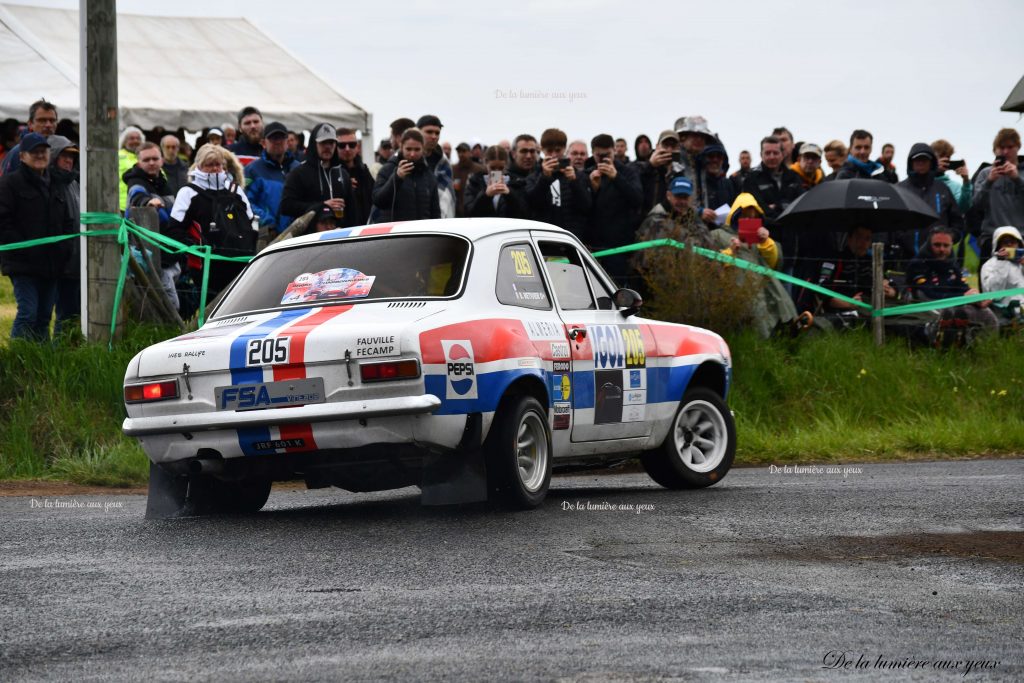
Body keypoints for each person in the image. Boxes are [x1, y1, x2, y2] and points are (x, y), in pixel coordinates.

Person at [0, 134, 74, 340]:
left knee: (43, 317)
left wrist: (64, 249)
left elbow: (68, 220)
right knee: (28, 313)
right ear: (22, 156)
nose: (40, 155)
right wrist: (25, 248)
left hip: (52, 264)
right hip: (22, 264)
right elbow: (3, 222)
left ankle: (41, 361)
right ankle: (17, 360)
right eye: (34, 152)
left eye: (44, 151)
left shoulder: (56, 183)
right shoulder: (9, 184)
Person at [165, 144, 258, 300]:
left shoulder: (235, 190)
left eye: (218, 164)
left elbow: (250, 220)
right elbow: (175, 229)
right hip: (206, 265)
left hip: (240, 259)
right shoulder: (188, 192)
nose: (215, 169)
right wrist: (194, 248)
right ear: (199, 166)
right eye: (209, 165)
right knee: (210, 307)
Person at [710, 193, 803, 338]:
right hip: (738, 292)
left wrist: (766, 243)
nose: (749, 220)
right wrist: (731, 251)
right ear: (735, 215)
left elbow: (775, 263)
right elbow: (711, 266)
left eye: (753, 218)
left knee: (779, 321)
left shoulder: (758, 238)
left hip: (767, 290)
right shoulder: (717, 235)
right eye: (745, 216)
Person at [906, 226, 998, 338]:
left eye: (946, 246)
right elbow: (927, 295)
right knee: (949, 314)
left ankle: (989, 346)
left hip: (953, 305)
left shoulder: (952, 263)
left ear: (951, 246)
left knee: (985, 312)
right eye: (937, 245)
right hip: (925, 307)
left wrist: (975, 297)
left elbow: (962, 286)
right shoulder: (918, 264)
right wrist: (963, 297)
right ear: (929, 245)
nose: (942, 249)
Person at [586, 134, 643, 281]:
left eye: (608, 155)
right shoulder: (588, 173)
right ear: (593, 153)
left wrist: (616, 178)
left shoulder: (628, 172)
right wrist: (593, 189)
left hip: (620, 246)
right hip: (594, 245)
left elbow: (637, 199)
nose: (604, 158)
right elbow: (584, 209)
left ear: (614, 151)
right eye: (600, 155)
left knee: (617, 290)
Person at [741, 136, 804, 269]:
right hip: (760, 248)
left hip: (789, 247)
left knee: (786, 287)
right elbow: (754, 209)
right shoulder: (751, 178)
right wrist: (781, 210)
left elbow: (798, 206)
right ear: (761, 155)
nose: (771, 156)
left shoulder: (794, 177)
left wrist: (777, 206)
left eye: (775, 153)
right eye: (767, 153)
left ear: (783, 154)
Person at [896, 143, 964, 262]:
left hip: (941, 259)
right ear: (910, 163)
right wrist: (902, 239)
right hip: (906, 260)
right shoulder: (899, 190)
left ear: (931, 163)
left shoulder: (943, 189)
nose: (920, 162)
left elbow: (957, 222)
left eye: (924, 159)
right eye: (917, 159)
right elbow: (890, 224)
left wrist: (948, 237)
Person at [280, 123, 356, 227]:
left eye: (331, 142)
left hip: (339, 236)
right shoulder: (298, 173)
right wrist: (321, 206)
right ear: (314, 144)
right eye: (323, 142)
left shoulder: (342, 174)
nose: (328, 146)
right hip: (310, 238)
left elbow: (353, 211)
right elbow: (286, 206)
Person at [524, 128, 591, 238]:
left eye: (558, 150)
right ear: (542, 150)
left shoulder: (579, 176)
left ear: (564, 149)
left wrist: (574, 182)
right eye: (549, 151)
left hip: (572, 238)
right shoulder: (533, 177)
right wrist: (545, 178)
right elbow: (532, 205)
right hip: (543, 237)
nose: (554, 155)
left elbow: (586, 207)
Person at [972, 128, 1024, 261]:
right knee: (989, 280)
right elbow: (977, 205)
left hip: (1020, 238)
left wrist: (1017, 179)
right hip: (991, 238)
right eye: (1001, 147)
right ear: (995, 150)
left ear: (1018, 147)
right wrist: (989, 182)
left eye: (1010, 147)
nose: (1005, 151)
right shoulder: (985, 173)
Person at [371, 127, 441, 223]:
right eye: (408, 149)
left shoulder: (429, 176)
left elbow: (435, 213)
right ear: (401, 147)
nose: (412, 154)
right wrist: (396, 178)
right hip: (395, 233)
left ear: (423, 149)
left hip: (422, 234)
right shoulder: (388, 169)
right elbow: (378, 201)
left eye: (417, 149)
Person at [47, 136, 81, 333]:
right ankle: (58, 352)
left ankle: (69, 349)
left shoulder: (74, 183)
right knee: (63, 313)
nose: (68, 160)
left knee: (73, 313)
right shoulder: (50, 183)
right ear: (53, 156)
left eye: (71, 156)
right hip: (61, 262)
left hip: (77, 261)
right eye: (63, 155)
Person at [245, 121, 300, 236]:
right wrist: (267, 222)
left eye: (281, 138)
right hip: (267, 235)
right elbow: (246, 202)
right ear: (264, 143)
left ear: (287, 142)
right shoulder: (252, 170)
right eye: (273, 138)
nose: (278, 142)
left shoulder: (298, 168)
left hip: (297, 233)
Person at [463, 145, 529, 219]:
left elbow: (524, 212)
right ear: (486, 163)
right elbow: (469, 212)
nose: (497, 172)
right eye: (492, 168)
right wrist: (486, 195)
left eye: (501, 168)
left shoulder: (516, 183)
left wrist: (509, 194)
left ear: (506, 164)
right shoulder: (475, 182)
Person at [632, 129, 685, 218]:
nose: (669, 150)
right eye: (665, 145)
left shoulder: (681, 173)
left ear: (678, 149)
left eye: (673, 146)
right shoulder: (639, 166)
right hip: (644, 224)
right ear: (657, 147)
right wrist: (650, 165)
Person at [1, 99, 58, 176]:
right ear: (30, 124)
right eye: (42, 120)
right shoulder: (18, 152)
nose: (48, 125)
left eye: (52, 120)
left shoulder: (59, 150)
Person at [416, 115, 456, 218]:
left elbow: (447, 197)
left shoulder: (444, 163)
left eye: (437, 133)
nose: (434, 136)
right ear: (418, 132)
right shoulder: (407, 159)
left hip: (439, 221)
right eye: (429, 132)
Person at [980, 226, 1024, 314]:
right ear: (998, 245)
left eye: (1013, 241)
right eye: (1005, 242)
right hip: (1006, 313)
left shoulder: (1021, 262)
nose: (1010, 244)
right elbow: (995, 294)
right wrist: (1001, 263)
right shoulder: (989, 266)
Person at [335, 128, 375, 225]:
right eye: (342, 145)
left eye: (352, 145)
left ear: (357, 147)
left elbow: (375, 196)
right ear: (335, 147)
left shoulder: (364, 170)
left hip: (365, 228)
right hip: (341, 229)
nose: (347, 149)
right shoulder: (331, 172)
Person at [695, 142, 736, 228]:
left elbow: (735, 209)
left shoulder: (728, 184)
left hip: (726, 233)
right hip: (700, 230)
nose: (715, 160)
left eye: (719, 157)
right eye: (711, 156)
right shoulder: (695, 182)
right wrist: (699, 212)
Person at [930, 139, 972, 214]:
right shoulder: (921, 182)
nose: (945, 159)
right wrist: (933, 169)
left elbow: (963, 209)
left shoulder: (955, 186)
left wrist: (966, 181)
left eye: (948, 157)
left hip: (946, 224)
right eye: (941, 156)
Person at [452, 142, 484, 217]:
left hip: (474, 211)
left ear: (470, 153)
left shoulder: (479, 169)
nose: (461, 154)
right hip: (457, 212)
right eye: (459, 152)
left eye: (464, 151)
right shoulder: (453, 169)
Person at [118, 126, 144, 211]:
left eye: (138, 138)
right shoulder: (117, 156)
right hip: (120, 205)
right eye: (131, 138)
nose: (135, 141)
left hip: (143, 204)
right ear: (124, 141)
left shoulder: (147, 156)